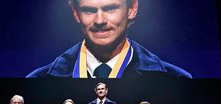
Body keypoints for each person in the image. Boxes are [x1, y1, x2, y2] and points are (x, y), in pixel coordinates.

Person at [26, 0, 192, 78]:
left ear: (132, 9)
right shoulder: (38, 79)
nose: (99, 20)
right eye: (89, 10)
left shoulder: (175, 79)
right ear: (76, 14)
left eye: (110, 9)